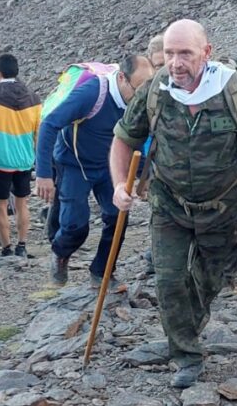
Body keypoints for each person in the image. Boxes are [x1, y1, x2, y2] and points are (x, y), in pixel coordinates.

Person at [111, 19, 237, 388]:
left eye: (185, 53)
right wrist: (120, 184)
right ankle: (185, 353)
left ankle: (187, 328)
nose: (176, 62)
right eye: (169, 54)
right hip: (169, 204)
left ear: (206, 52)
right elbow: (123, 140)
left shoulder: (236, 91)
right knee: (169, 280)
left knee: (210, 280)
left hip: (223, 207)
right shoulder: (154, 91)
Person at [35, 54, 154, 286]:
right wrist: (43, 174)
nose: (142, 96)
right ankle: (60, 253)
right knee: (76, 226)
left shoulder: (140, 102)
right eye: (138, 89)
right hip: (74, 164)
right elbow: (49, 124)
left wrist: (144, 176)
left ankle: (102, 272)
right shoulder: (92, 93)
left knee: (117, 215)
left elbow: (138, 139)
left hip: (110, 167)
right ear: (121, 78)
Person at [0, 54, 42, 257]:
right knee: (22, 204)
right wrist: (37, 157)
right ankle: (22, 245)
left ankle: (6, 248)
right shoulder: (33, 97)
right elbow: (39, 130)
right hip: (24, 159)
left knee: (0, 204)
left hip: (0, 160)